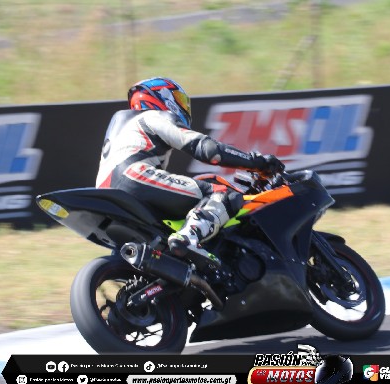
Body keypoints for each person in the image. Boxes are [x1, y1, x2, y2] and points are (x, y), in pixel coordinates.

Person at [95, 77, 284, 261]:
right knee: (221, 193)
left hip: (106, 191)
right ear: (162, 96)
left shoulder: (123, 126)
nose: (183, 106)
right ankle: (188, 239)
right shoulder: (154, 116)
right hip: (133, 177)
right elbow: (210, 151)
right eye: (179, 99)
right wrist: (257, 162)